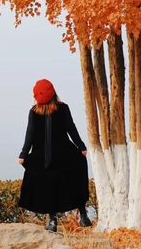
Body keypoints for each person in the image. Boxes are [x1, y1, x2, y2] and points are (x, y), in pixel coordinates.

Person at [17, 78, 92, 232]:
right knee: (74, 180)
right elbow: (71, 129)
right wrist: (81, 147)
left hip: (42, 158)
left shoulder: (33, 111)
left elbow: (29, 135)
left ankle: (53, 221)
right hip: (64, 154)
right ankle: (83, 214)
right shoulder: (63, 108)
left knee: (49, 187)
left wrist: (23, 154)